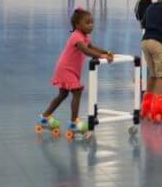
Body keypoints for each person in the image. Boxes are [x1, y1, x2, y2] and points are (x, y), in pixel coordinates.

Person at [36, 8, 115, 139]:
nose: (91, 25)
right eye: (87, 23)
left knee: (62, 94)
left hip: (70, 70)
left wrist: (107, 52)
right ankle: (74, 122)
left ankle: (45, 117)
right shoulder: (76, 37)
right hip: (65, 69)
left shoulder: (84, 36)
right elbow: (86, 51)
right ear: (77, 25)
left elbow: (92, 47)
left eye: (92, 22)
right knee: (77, 91)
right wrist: (102, 56)